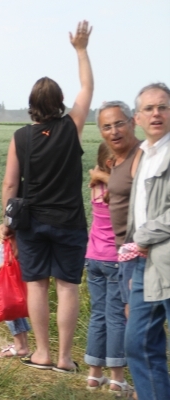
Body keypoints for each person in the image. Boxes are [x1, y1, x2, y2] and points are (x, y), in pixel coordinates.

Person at [0, 20, 93, 373]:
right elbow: (87, 87)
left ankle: (42, 353)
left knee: (36, 285)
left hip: (32, 223)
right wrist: (81, 50)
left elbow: (10, 186)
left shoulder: (21, 137)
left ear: (31, 105)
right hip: (70, 221)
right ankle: (66, 359)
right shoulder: (72, 126)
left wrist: (7, 224)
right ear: (60, 103)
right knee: (68, 288)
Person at [124, 82, 170, 399]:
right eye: (149, 109)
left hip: (166, 261)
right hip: (144, 264)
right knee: (137, 342)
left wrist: (142, 237)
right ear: (137, 118)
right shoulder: (143, 153)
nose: (156, 113)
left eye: (163, 107)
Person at [83, 143, 131, 395]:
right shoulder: (119, 192)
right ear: (113, 164)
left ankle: (93, 375)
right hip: (115, 260)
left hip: (93, 257)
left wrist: (99, 174)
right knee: (115, 317)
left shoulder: (95, 187)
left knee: (97, 315)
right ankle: (116, 378)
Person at [91, 101, 141, 317]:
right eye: (107, 126)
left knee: (134, 317)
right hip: (123, 253)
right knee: (130, 315)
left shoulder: (142, 156)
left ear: (132, 123)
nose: (114, 131)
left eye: (119, 124)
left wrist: (101, 176)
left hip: (141, 250)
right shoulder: (120, 160)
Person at [0, 238, 31, 359]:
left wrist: (1, 266)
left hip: (10, 267)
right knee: (16, 304)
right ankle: (22, 344)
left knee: (9, 305)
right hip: (9, 266)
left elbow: (17, 254)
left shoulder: (15, 230)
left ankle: (20, 347)